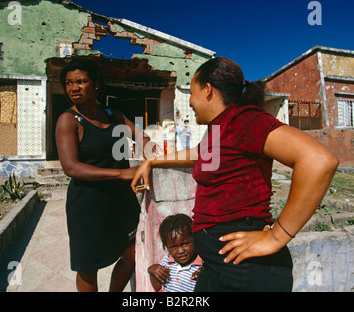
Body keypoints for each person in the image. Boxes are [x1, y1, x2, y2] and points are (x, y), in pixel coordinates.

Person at [131, 57, 339, 291]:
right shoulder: (220, 128)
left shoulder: (246, 120)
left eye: (192, 92)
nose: (190, 101)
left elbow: (319, 160)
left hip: (246, 270)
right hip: (217, 266)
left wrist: (277, 236)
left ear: (207, 89)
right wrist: (151, 161)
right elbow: (197, 154)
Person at [55, 58, 155, 292]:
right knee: (89, 266)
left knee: (131, 253)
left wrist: (152, 153)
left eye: (81, 81)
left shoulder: (113, 115)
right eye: (69, 83)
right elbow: (71, 167)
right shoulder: (68, 120)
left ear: (96, 84)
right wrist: (122, 173)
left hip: (121, 200)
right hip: (88, 202)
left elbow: (141, 137)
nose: (74, 88)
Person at [148, 214, 202, 292]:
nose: (181, 251)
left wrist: (205, 276)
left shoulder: (202, 265)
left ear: (194, 238)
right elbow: (158, 288)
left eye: (184, 244)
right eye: (174, 247)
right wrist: (152, 272)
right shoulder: (167, 261)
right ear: (167, 247)